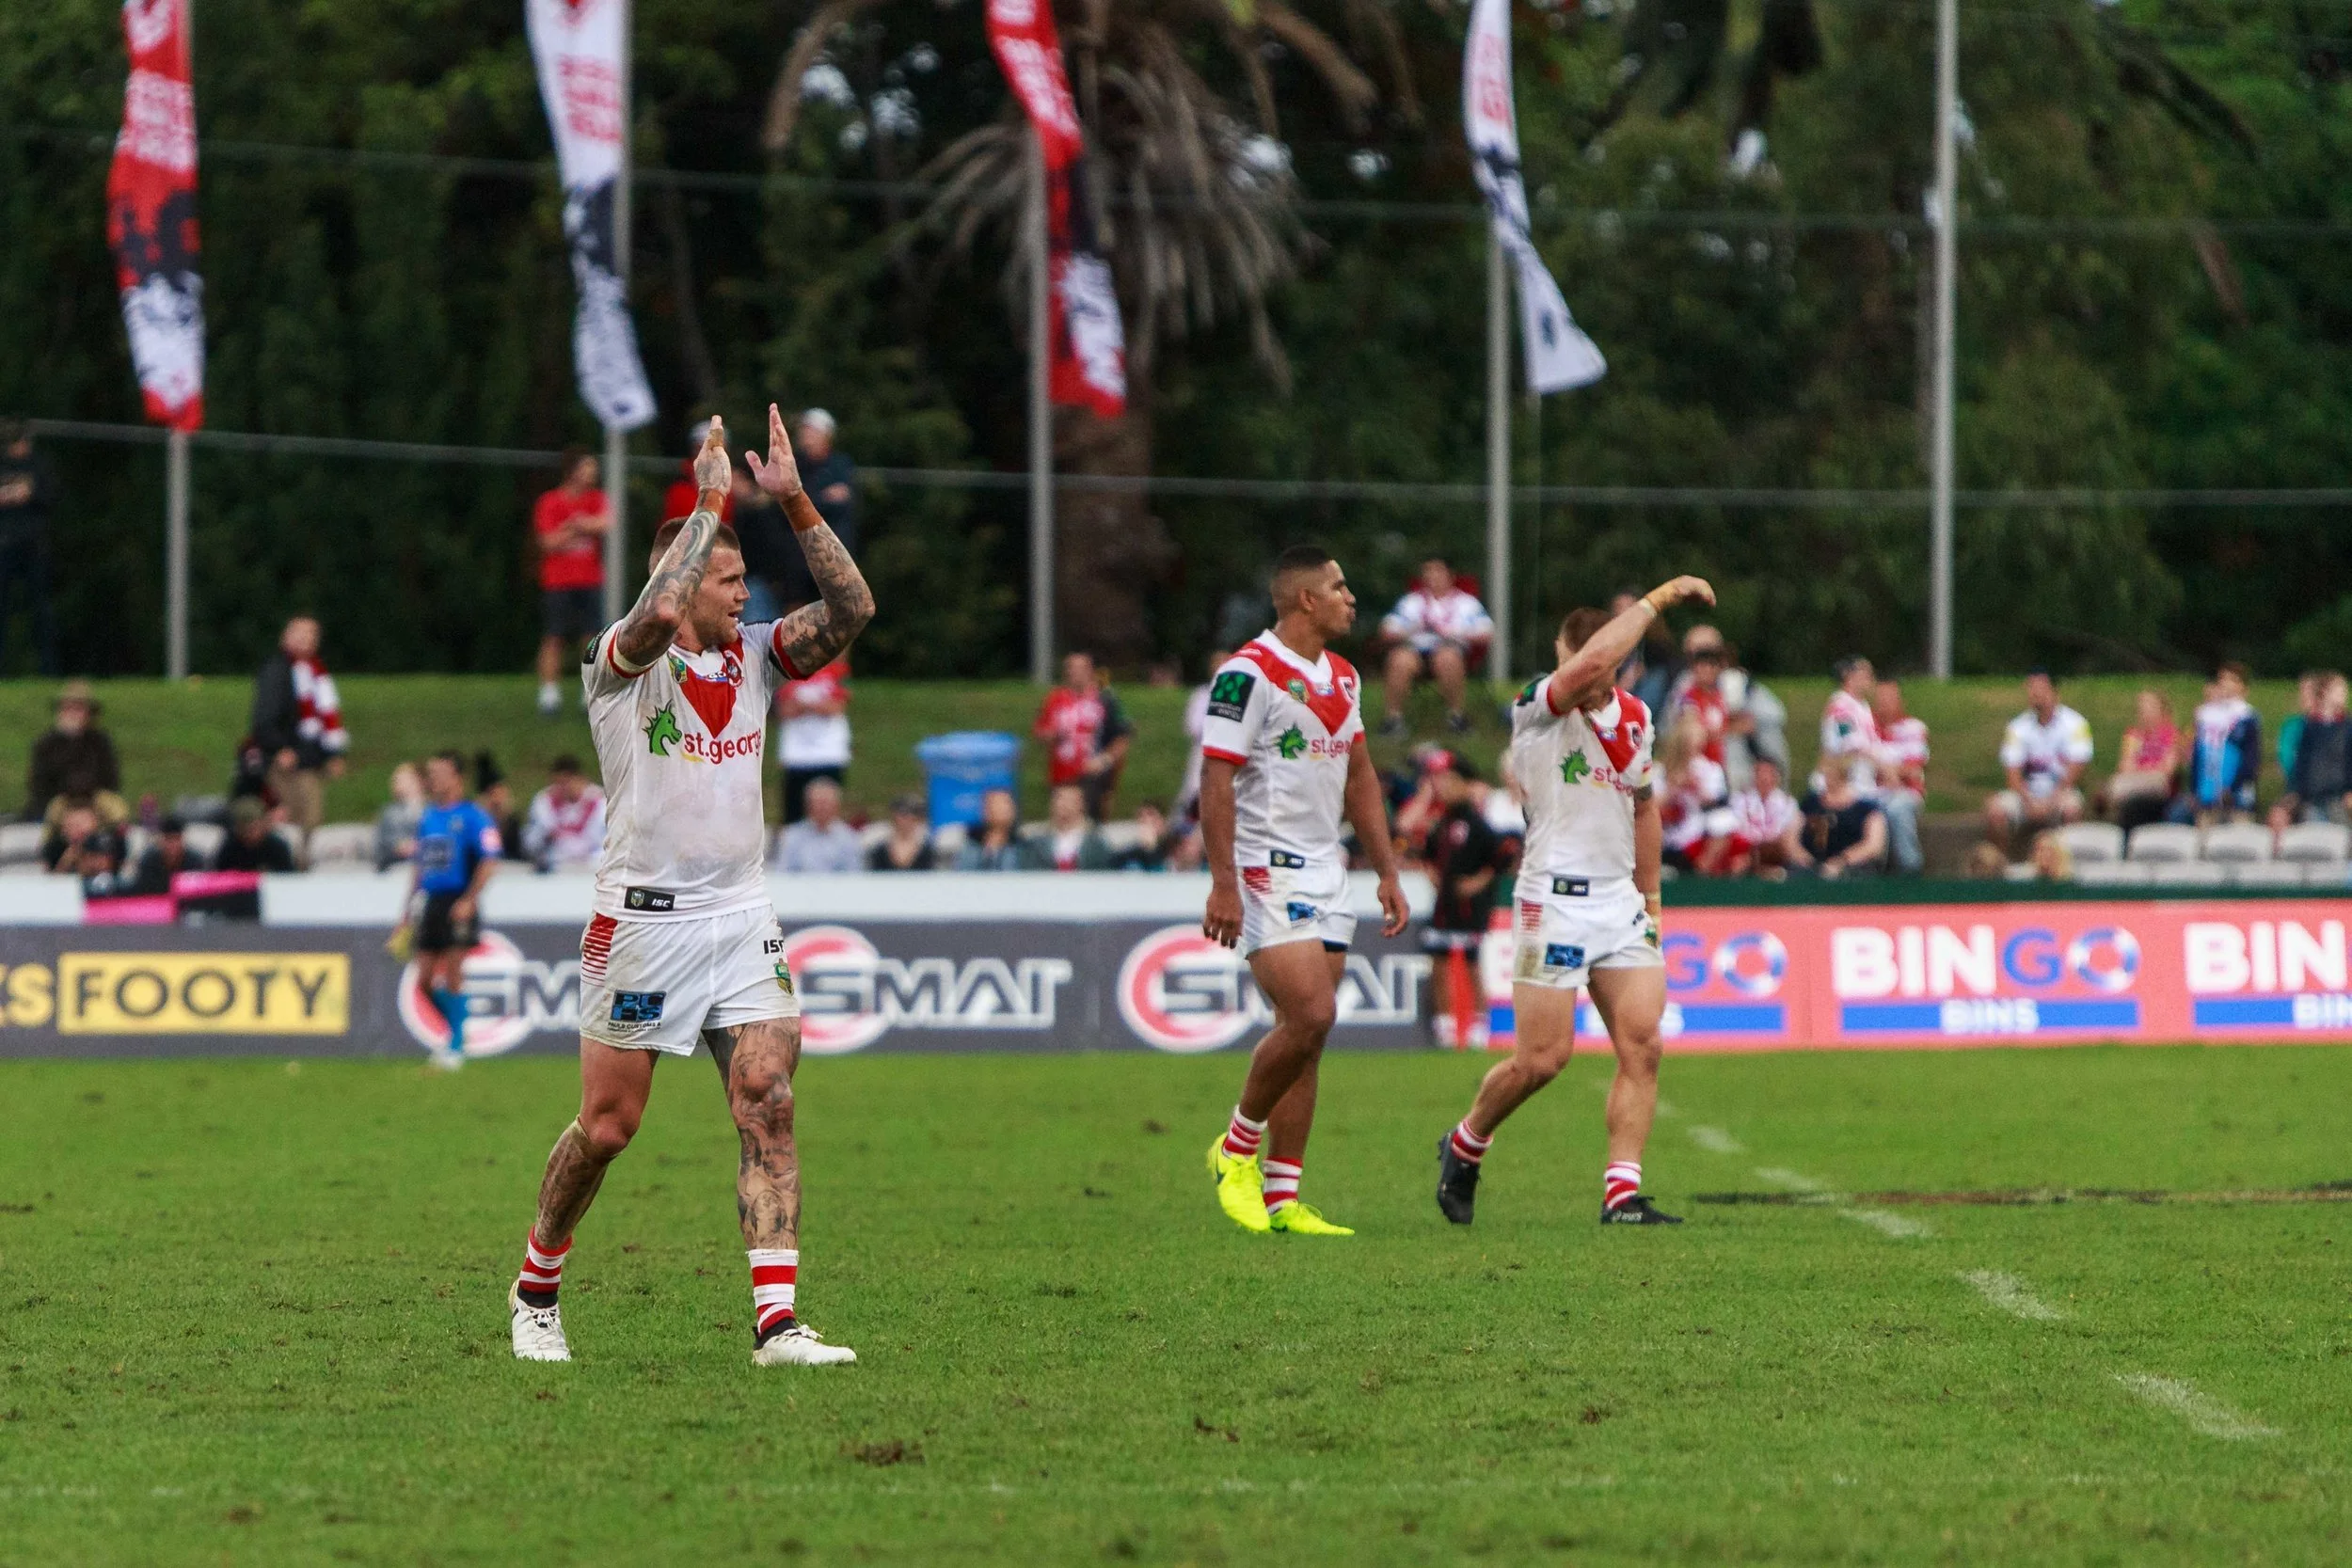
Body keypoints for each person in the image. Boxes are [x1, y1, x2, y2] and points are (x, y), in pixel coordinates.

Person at [508, 406, 873, 1370]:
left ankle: (777, 1323)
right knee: (608, 1126)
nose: (745, 591)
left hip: (741, 915)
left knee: (768, 1096)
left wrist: (788, 498)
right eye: (729, 577)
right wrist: (710, 496)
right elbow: (658, 613)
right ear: (682, 579)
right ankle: (537, 1282)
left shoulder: (752, 656)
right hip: (641, 924)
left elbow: (851, 611)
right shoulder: (618, 665)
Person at [1433, 576, 1716, 1230]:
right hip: (1553, 899)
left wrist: (1650, 897)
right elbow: (1586, 664)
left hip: (1618, 901)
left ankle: (1622, 1194)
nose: (1572, 668)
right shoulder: (1538, 706)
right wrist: (1659, 598)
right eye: (1570, 657)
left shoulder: (1638, 719)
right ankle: (1466, 1140)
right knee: (1543, 1059)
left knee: (1643, 1044)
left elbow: (1643, 809)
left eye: (1584, 658)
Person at [1200, 544, 1410, 1238]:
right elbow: (1215, 778)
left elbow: (1360, 780)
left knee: (1309, 1039)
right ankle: (1235, 1150)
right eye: (1339, 585)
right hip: (1266, 867)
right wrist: (1223, 882)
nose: (1352, 597)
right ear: (1305, 601)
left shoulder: (1345, 679)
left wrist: (1384, 869)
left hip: (1328, 870)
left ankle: (1283, 1197)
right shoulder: (1246, 674)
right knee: (1311, 1014)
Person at [398, 752, 502, 1069]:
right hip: (432, 903)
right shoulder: (428, 817)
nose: (434, 779)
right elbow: (419, 866)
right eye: (431, 773)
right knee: (424, 981)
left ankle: (456, 1045)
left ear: (457, 778)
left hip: (459, 899)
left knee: (455, 971)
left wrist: (470, 899)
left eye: (441, 772)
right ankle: (457, 1030)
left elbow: (489, 859)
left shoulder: (473, 816)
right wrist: (406, 909)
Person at [249, 615, 347, 865]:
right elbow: (264, 718)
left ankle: (299, 865)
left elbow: (325, 720)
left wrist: (333, 754)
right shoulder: (278, 670)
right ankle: (296, 867)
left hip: (310, 759)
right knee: (304, 819)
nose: (306, 639)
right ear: (286, 637)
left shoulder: (316, 672)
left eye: (312, 635)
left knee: (310, 818)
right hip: (289, 763)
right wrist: (279, 748)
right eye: (300, 633)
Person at [1421, 755, 1505, 1034]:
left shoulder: (1478, 824)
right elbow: (1427, 855)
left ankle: (1480, 1025)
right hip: (1443, 906)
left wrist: (1477, 883)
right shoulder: (1440, 823)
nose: (1444, 787)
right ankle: (1444, 1025)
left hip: (1471, 909)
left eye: (1451, 782)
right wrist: (1434, 877)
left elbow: (1500, 857)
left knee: (1472, 965)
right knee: (1439, 963)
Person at [533, 449, 612, 716]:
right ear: (573, 470)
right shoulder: (550, 502)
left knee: (591, 636)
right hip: (558, 581)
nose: (593, 472)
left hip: (590, 579)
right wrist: (574, 527)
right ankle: (549, 694)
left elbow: (605, 523)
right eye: (588, 466)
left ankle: (588, 691)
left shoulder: (597, 498)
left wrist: (580, 525)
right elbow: (548, 542)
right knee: (554, 636)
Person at [1377, 558, 1493, 736]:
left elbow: (1486, 633)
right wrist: (1411, 629)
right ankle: (1393, 719)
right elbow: (1387, 630)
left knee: (1447, 658)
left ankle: (1456, 716)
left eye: (1437, 572)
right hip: (1416, 649)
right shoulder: (1412, 602)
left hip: (1451, 649)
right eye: (1427, 572)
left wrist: (1456, 633)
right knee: (1399, 659)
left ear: (1450, 576)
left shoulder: (1466, 603)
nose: (1432, 577)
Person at [1986, 670, 2093, 857]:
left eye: (2041, 689)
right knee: (1995, 810)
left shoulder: (2076, 724)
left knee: (2072, 809)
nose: (2036, 694)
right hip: (2026, 795)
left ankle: (2068, 866)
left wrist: (2051, 802)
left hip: (2061, 792)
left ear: (2055, 693)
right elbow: (2012, 775)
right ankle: (2000, 868)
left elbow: (2076, 770)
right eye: (2032, 689)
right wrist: (2030, 802)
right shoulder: (2017, 728)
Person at [1033, 651, 1133, 820]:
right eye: (1072, 669)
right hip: (1061, 775)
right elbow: (1040, 731)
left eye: (1082, 668)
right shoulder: (1054, 699)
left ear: (1091, 671)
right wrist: (1052, 735)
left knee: (1088, 821)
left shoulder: (1105, 700)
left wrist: (1105, 760)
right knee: (1063, 821)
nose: (1076, 673)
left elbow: (1123, 736)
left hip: (1091, 774)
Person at [780, 409, 856, 607]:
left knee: (836, 612)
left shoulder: (840, 465)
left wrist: (806, 501)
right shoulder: (794, 464)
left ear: (827, 435)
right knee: (794, 615)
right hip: (798, 557)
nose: (805, 435)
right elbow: (785, 504)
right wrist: (821, 499)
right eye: (804, 430)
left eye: (811, 430)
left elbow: (842, 503)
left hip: (831, 557)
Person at [25, 680, 126, 828]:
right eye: (67, 708)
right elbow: (39, 785)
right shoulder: (46, 744)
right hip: (61, 799)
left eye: (78, 709)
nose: (72, 713)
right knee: (51, 814)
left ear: (88, 713)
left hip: (94, 797)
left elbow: (111, 779)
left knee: (118, 811)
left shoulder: (100, 741)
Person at [0, 420, 56, 675]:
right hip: (4, 545)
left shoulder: (39, 466)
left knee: (41, 608)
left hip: (34, 546)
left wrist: (30, 493)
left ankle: (48, 668)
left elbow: (52, 495)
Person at [2176, 662, 2263, 825]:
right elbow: (2198, 754)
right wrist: (2195, 788)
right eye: (2223, 679)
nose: (2226, 684)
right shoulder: (2206, 716)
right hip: (2207, 792)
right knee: (2206, 836)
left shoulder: (2248, 717)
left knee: (2239, 835)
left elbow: (2251, 758)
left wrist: (2234, 785)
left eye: (2233, 679)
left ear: (2243, 686)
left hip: (2238, 795)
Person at [1657, 715, 1739, 876]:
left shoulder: (1710, 769)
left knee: (1723, 820)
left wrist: (1697, 789)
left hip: (1698, 826)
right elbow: (1652, 803)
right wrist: (1674, 787)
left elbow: (1717, 802)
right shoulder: (1661, 770)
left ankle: (1700, 871)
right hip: (1669, 827)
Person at [776, 657, 851, 825]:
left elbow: (836, 707)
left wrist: (803, 704)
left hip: (828, 755)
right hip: (796, 757)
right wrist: (817, 704)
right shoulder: (788, 672)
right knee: (794, 814)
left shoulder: (836, 672)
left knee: (827, 812)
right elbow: (784, 710)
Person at [2272, 673, 2350, 828]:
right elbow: (2302, 762)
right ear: (2324, 693)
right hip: (2312, 798)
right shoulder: (2309, 728)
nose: (2344, 695)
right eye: (2339, 690)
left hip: (2339, 798)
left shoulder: (2347, 727)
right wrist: (2295, 791)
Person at [1870, 679, 1929, 875]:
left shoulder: (1914, 727)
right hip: (1872, 791)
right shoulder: (1866, 728)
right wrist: (1893, 770)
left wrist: (1884, 769)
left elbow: (1913, 769)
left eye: (1889, 698)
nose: (1885, 703)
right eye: (1881, 698)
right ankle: (1871, 871)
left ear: (1899, 701)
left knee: (1896, 808)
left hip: (1906, 792)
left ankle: (1910, 869)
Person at [2104, 689, 2182, 832]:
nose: (2144, 712)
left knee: (2123, 789)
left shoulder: (2172, 735)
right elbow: (2124, 766)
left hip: (2159, 785)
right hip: (2136, 782)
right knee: (2119, 787)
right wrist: (2151, 767)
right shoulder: (2133, 735)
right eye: (2141, 708)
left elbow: (2168, 770)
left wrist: (2140, 768)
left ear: (2161, 710)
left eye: (2149, 706)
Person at [1794, 769, 1886, 878]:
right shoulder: (1810, 803)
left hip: (1852, 871)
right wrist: (1803, 858)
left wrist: (1841, 861)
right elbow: (1791, 835)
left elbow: (1873, 846)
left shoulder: (1867, 808)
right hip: (1808, 867)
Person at [1175, 648, 1231, 824]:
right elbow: (1193, 727)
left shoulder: (1242, 696)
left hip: (1230, 760)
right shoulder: (1201, 696)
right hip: (1203, 756)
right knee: (1194, 801)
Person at [524, 756, 608, 872]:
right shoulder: (544, 802)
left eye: (566, 782)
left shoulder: (601, 801)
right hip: (556, 866)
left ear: (581, 779)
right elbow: (529, 842)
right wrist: (544, 837)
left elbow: (607, 841)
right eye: (558, 783)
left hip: (592, 867)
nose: (564, 788)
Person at [1726, 754, 1804, 876]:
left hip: (1775, 853)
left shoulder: (1787, 803)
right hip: (1747, 850)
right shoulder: (1739, 799)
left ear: (1777, 777)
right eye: (1760, 773)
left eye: (1769, 773)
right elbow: (1739, 828)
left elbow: (1782, 833)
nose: (1765, 778)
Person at [771, 777, 865, 874]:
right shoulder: (791, 837)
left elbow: (854, 876)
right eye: (818, 803)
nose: (822, 808)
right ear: (807, 805)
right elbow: (782, 873)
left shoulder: (849, 838)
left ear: (836, 805)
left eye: (826, 803)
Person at [1019, 783, 1113, 870]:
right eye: (1060, 798)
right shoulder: (1036, 844)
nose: (1064, 804)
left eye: (1071, 800)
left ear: (1082, 804)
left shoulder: (1097, 843)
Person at [1818, 657, 1879, 788]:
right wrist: (1880, 762)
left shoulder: (1863, 705)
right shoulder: (1841, 705)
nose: (1870, 677)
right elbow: (1848, 741)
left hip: (1862, 772)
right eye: (1865, 672)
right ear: (1848, 676)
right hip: (1843, 774)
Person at [42, 799, 125, 881]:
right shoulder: (55, 849)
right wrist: (66, 862)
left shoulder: (108, 843)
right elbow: (52, 883)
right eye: (70, 826)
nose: (75, 831)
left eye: (79, 825)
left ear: (95, 824)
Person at [215, 794, 298, 874]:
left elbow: (289, 877)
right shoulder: (229, 848)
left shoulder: (277, 847)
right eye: (245, 829)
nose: (251, 833)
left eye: (255, 828)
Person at [126, 814, 200, 895]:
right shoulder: (149, 861)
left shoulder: (194, 861)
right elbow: (144, 891)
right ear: (161, 841)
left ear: (182, 840)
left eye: (176, 839)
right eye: (168, 840)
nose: (173, 845)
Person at [475, 753, 530, 863]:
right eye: (493, 795)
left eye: (501, 794)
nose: (497, 801)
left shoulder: (512, 822)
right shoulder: (478, 822)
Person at [954, 788, 1025, 870]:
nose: (1000, 809)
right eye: (995, 804)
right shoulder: (968, 849)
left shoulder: (1025, 850)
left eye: (1005, 804)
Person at [375, 762, 428, 871]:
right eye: (395, 780)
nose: (396, 783)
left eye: (402, 779)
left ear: (417, 781)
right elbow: (384, 842)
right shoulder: (389, 813)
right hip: (396, 868)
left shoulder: (432, 809)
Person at [867, 795, 936, 872]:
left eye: (912, 816)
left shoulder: (927, 851)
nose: (906, 821)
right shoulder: (880, 850)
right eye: (903, 816)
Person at [1111, 801, 1175, 871]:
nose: (1146, 820)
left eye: (1151, 815)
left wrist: (1151, 849)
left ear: (1163, 823)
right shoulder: (1128, 855)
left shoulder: (1174, 849)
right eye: (1141, 817)